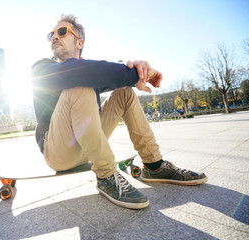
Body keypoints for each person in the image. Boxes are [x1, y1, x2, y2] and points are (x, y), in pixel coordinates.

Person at [31, 14, 207, 209]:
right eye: (51, 34)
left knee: (124, 92)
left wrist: (138, 73)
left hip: (88, 145)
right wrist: (131, 74)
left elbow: (98, 72)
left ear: (79, 42)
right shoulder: (41, 68)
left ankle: (154, 166)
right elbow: (76, 71)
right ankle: (106, 176)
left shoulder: (87, 70)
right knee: (79, 85)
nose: (55, 36)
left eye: (62, 32)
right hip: (59, 151)